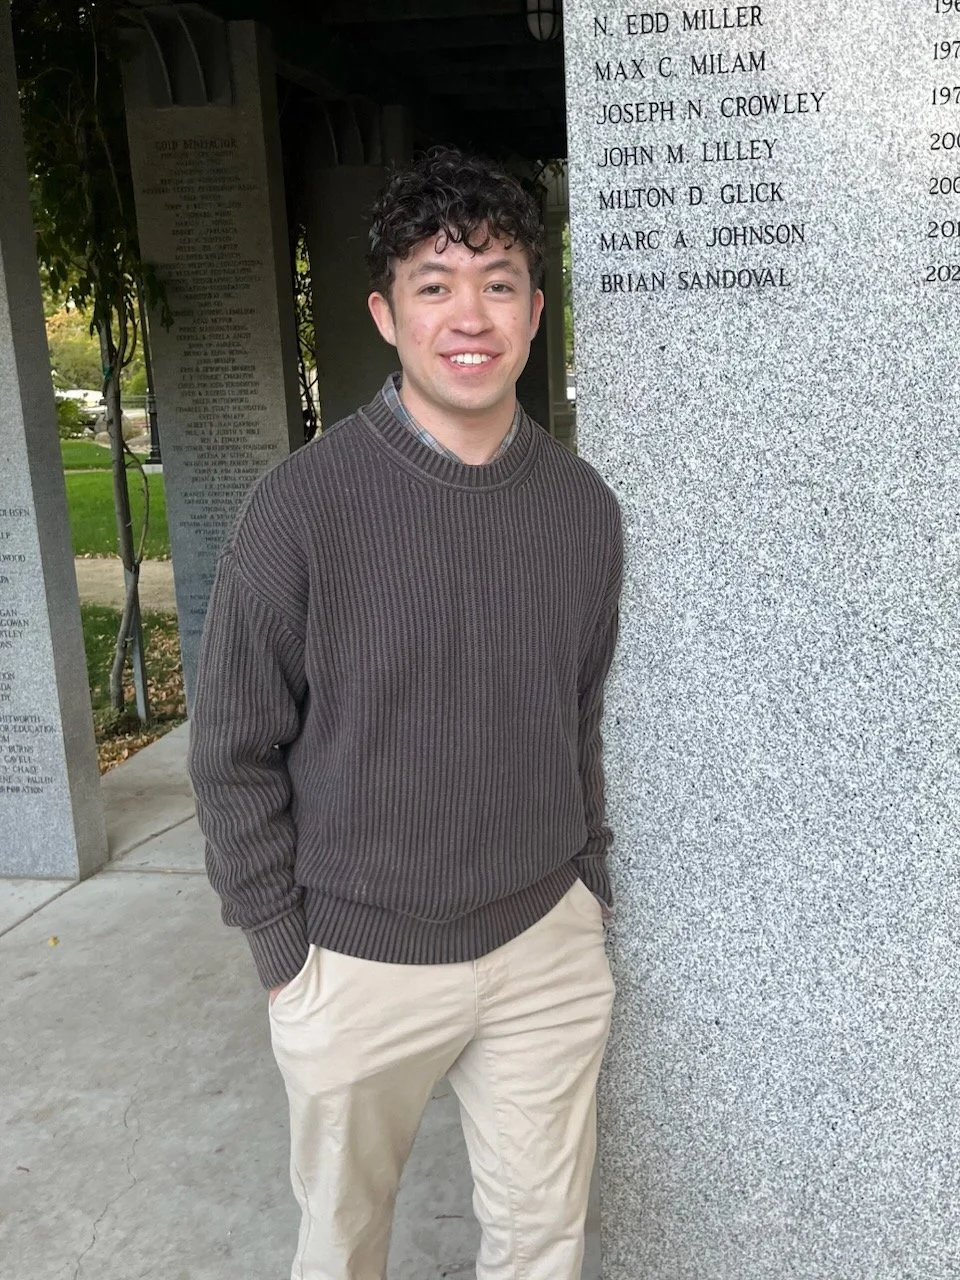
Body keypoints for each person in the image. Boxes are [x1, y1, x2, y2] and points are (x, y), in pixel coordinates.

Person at [188, 146, 623, 1280]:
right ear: (386, 314)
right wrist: (285, 954)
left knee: (542, 1241)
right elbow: (232, 752)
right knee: (341, 1247)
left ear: (536, 308)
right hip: (354, 959)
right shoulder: (301, 511)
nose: (468, 313)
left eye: (498, 280)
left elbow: (574, 711)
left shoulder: (582, 509)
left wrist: (591, 884)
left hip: (543, 945)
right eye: (435, 283)